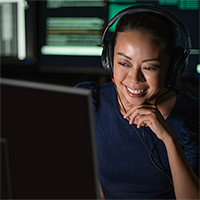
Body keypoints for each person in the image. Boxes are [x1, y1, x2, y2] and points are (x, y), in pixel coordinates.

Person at [76, 5, 200, 200]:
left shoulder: (191, 119)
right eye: (124, 63)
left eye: (150, 67)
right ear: (108, 60)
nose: (134, 79)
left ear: (172, 68)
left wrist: (169, 139)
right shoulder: (91, 103)